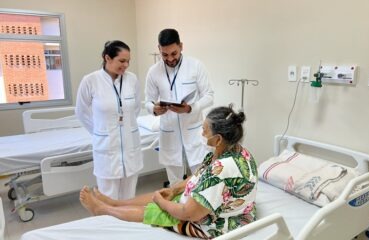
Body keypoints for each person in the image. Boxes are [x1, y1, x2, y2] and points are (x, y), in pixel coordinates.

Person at [80, 105, 258, 239]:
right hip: (214, 205)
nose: (201, 133)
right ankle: (115, 203)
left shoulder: (220, 170)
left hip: (217, 225)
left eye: (204, 130)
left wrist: (161, 202)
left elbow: (189, 214)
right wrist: (175, 190)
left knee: (158, 209)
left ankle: (103, 209)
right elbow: (198, 176)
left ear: (218, 139)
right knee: (167, 193)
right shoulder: (235, 151)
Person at [145, 28, 214, 186]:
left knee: (201, 181)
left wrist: (190, 108)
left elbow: (209, 96)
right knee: (175, 184)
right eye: (165, 55)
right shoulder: (153, 72)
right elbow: (148, 101)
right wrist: (154, 109)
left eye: (174, 53)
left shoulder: (195, 66)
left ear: (181, 46)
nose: (170, 59)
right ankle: (176, 209)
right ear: (159, 50)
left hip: (194, 132)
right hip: (169, 133)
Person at [75, 40, 143, 200]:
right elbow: (81, 112)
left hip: (130, 146)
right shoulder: (90, 81)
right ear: (107, 58)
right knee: (107, 199)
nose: (126, 65)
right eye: (122, 61)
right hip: (106, 150)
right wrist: (100, 132)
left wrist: (127, 126)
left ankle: (126, 225)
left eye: (128, 61)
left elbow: (136, 108)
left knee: (129, 199)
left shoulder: (132, 79)